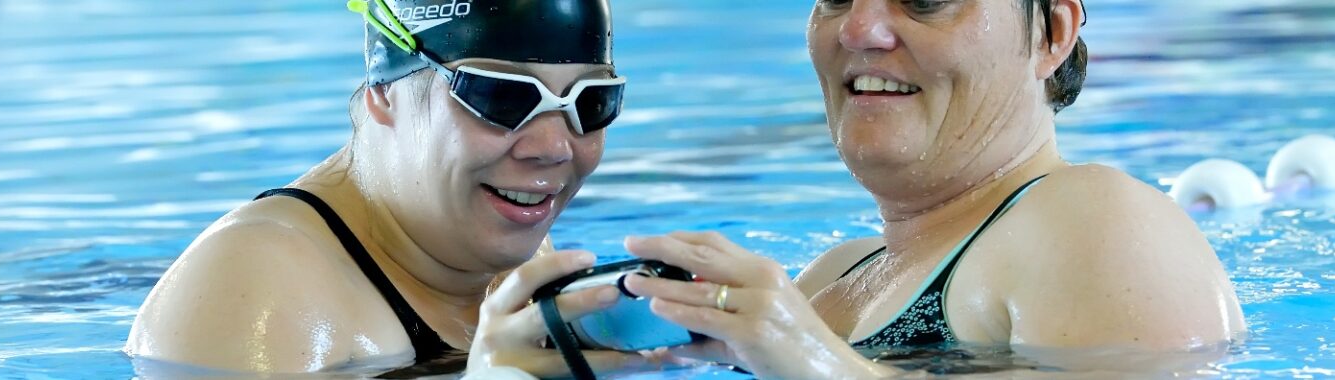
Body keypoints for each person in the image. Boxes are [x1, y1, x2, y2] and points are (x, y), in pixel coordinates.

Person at [483, 0, 1247, 378]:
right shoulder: (832, 281)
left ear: (1050, 32)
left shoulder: (1099, 219)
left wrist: (817, 364)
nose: (861, 30)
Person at [125, 0, 643, 376]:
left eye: (591, 103)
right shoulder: (261, 284)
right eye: (499, 96)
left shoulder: (497, 230)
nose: (553, 147)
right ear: (383, 92)